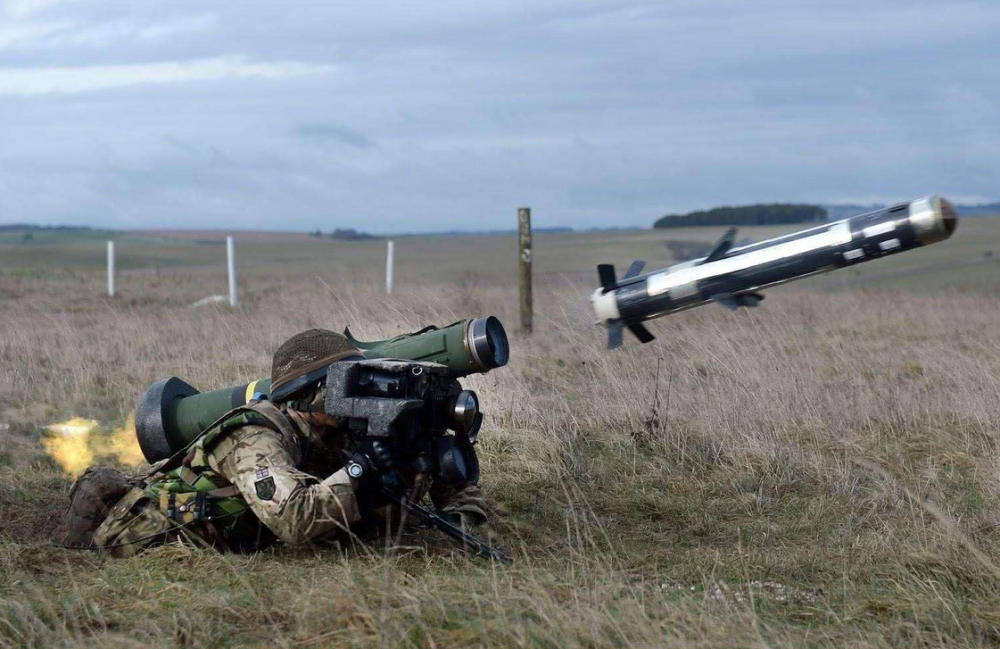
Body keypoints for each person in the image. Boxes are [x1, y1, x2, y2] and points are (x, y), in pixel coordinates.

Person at [67, 330, 488, 557]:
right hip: (140, 537)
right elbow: (296, 521)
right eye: (342, 384)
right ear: (304, 396)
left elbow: (379, 505)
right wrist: (360, 469)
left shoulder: (330, 432)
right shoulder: (253, 437)